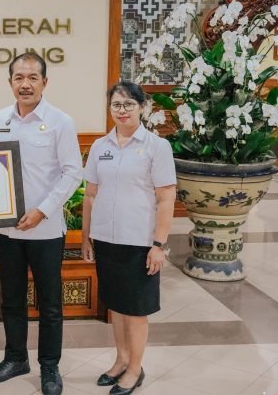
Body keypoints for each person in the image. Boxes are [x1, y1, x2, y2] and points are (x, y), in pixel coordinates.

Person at [0, 52, 82, 395]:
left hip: (45, 230)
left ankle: (49, 367)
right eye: (19, 78)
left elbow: (73, 173)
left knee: (49, 304)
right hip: (7, 228)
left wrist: (42, 211)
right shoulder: (0, 118)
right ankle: (16, 358)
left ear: (44, 83)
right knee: (12, 298)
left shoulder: (60, 121)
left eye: (32, 78)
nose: (25, 84)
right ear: (10, 83)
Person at [81, 82, 176, 395]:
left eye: (128, 104)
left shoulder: (156, 147)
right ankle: (121, 359)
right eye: (116, 105)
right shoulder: (100, 146)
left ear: (142, 107)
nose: (122, 111)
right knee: (117, 307)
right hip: (107, 240)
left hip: (139, 243)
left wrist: (159, 245)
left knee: (135, 310)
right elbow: (90, 195)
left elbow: (166, 198)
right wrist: (86, 237)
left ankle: (135, 369)